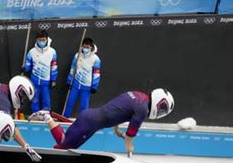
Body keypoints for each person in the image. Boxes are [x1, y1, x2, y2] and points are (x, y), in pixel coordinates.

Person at [29, 89, 175, 152]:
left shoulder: (139, 96)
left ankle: (47, 117)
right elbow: (131, 133)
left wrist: (117, 129)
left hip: (91, 118)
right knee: (62, 147)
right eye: (162, 108)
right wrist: (129, 146)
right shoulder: (143, 109)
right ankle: (46, 118)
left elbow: (122, 108)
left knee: (66, 143)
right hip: (91, 123)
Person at [63, 37, 101, 118]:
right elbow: (73, 69)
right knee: (70, 102)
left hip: (86, 86)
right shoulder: (77, 55)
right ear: (82, 46)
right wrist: (69, 81)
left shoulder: (96, 59)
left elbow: (96, 74)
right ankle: (65, 117)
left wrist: (94, 86)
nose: (86, 48)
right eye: (84, 46)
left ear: (91, 47)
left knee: (84, 105)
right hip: (76, 83)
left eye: (88, 47)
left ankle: (83, 119)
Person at [22, 30, 58, 113]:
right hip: (34, 81)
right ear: (36, 40)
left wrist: (53, 80)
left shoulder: (52, 52)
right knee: (34, 100)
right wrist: (25, 68)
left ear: (47, 39)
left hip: (46, 81)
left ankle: (46, 116)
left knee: (46, 100)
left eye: (43, 40)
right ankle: (35, 115)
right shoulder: (32, 51)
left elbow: (54, 67)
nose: (41, 42)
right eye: (39, 40)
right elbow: (28, 64)